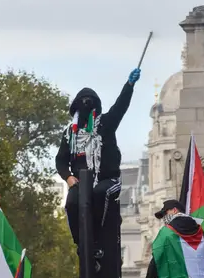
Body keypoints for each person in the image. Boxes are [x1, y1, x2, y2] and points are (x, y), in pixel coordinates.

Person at [56, 68, 141, 249]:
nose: (86, 107)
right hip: (81, 182)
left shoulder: (105, 125)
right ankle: (81, 243)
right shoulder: (69, 134)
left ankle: (97, 239)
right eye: (82, 104)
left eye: (90, 103)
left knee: (99, 193)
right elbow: (61, 161)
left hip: (107, 180)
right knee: (71, 203)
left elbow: (120, 106)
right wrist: (69, 177)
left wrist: (129, 85)